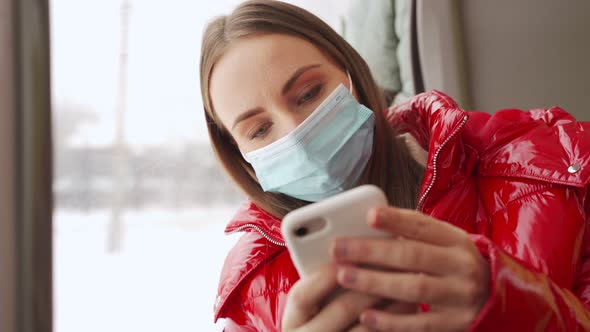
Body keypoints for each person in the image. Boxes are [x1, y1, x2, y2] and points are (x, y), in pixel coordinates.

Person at [200, 1, 590, 331]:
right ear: (242, 160)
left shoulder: (554, 160)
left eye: (309, 93)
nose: (297, 133)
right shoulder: (249, 298)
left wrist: (509, 304)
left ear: (352, 74)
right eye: (259, 129)